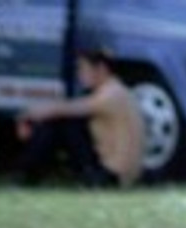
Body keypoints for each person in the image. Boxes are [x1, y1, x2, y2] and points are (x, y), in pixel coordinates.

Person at [15, 46, 145, 187]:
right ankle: (28, 173)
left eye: (83, 69)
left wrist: (25, 117)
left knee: (62, 123)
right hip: (122, 174)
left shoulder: (110, 95)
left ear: (101, 69)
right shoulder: (119, 90)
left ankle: (26, 175)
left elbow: (63, 109)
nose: (79, 74)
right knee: (64, 121)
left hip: (112, 175)